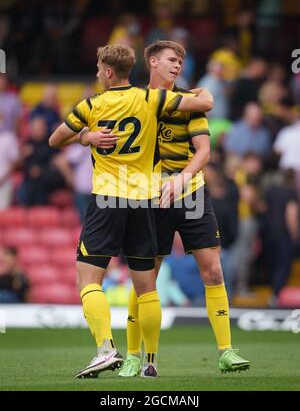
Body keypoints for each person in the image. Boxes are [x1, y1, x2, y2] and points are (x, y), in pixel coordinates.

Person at [49, 44, 214, 379]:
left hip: (108, 200)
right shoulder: (150, 99)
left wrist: (86, 136)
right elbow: (204, 102)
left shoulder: (92, 105)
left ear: (108, 72)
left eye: (98, 69)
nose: (97, 74)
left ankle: (106, 349)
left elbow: (55, 140)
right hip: (144, 202)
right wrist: (198, 89)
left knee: (88, 277)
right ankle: (150, 362)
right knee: (147, 287)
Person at [100, 40, 250, 376]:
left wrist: (181, 179)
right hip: (151, 198)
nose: (178, 65)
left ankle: (227, 351)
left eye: (181, 61)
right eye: (171, 59)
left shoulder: (191, 102)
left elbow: (204, 152)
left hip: (191, 193)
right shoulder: (138, 101)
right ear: (152, 62)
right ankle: (137, 356)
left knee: (212, 270)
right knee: (145, 278)